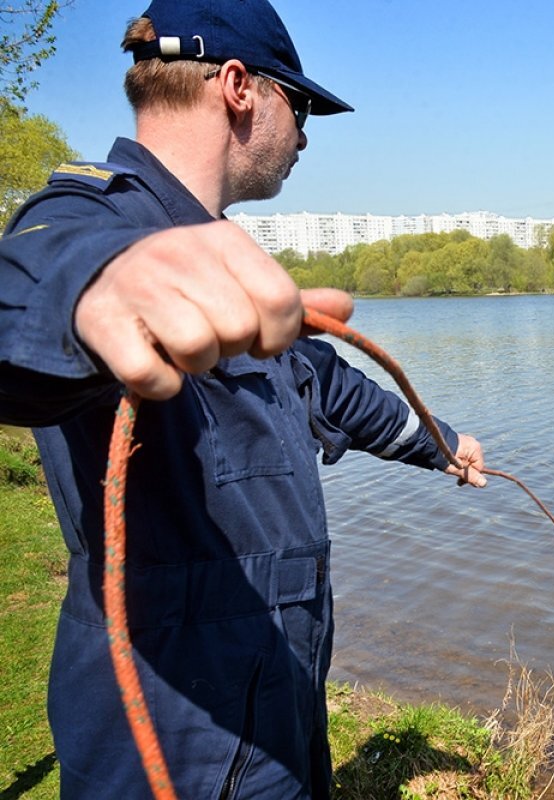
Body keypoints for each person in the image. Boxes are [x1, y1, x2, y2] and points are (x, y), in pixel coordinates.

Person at [0, 1, 487, 797]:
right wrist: (97, 287)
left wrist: (442, 443)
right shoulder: (89, 218)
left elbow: (323, 384)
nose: (304, 135)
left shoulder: (219, 254)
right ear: (237, 87)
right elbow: (25, 291)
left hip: (273, 702)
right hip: (176, 728)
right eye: (298, 107)